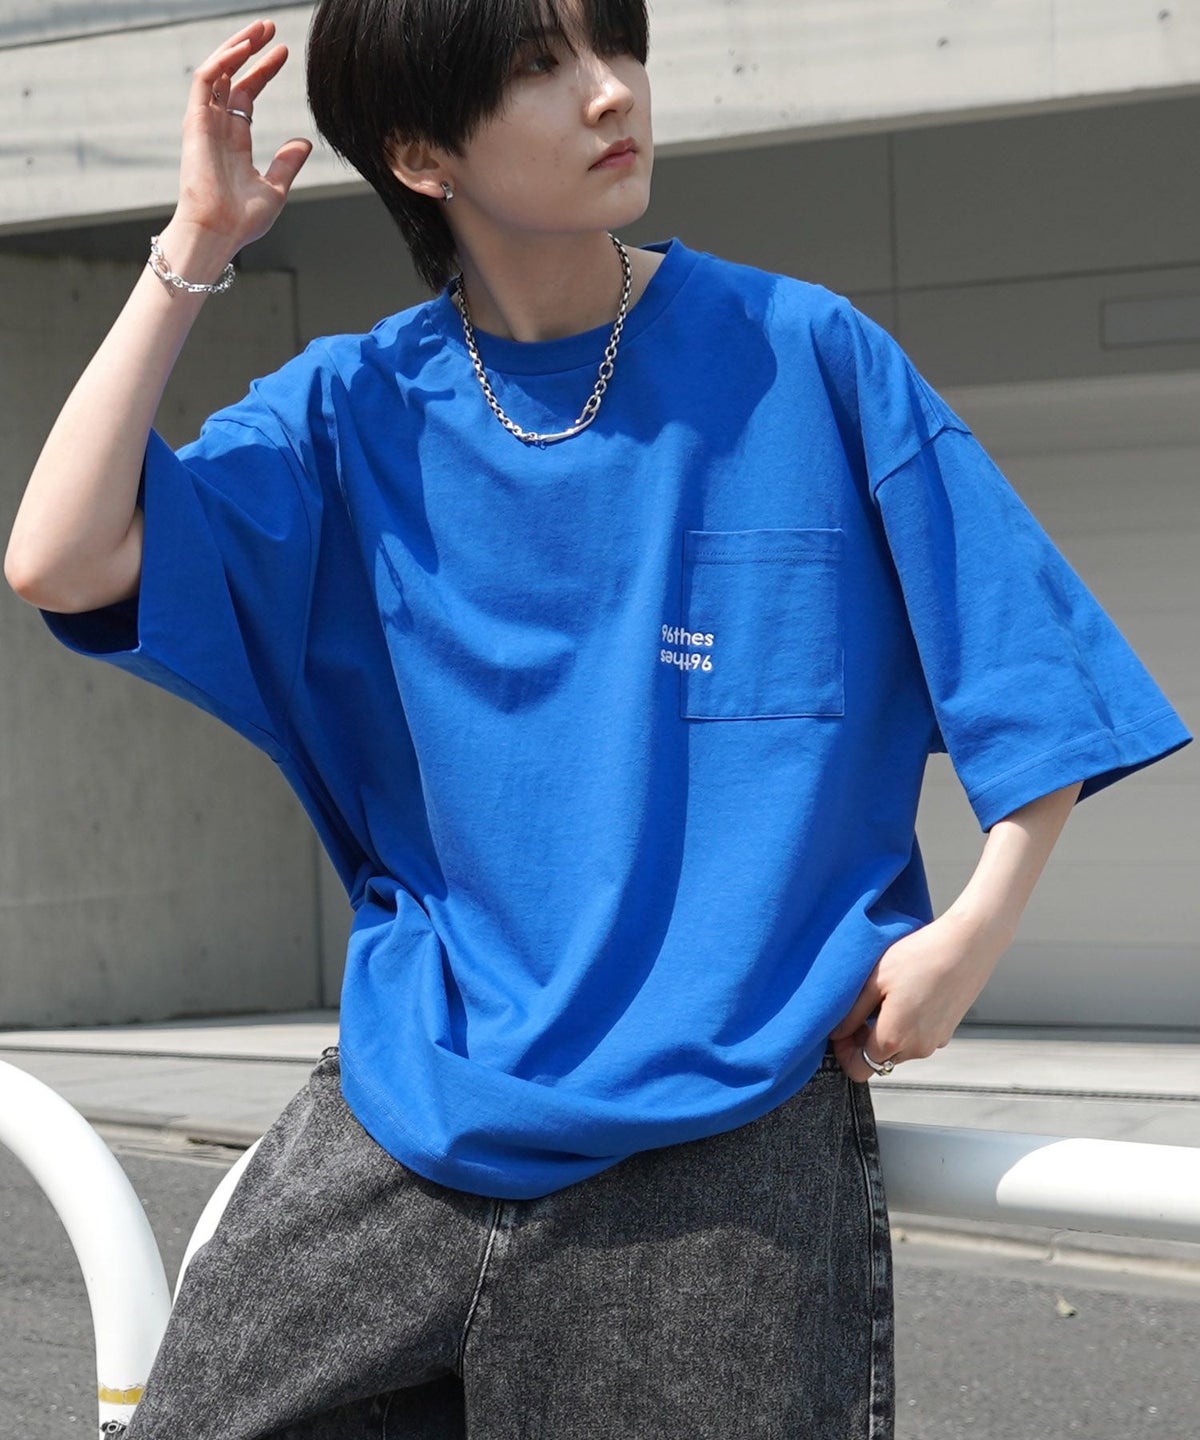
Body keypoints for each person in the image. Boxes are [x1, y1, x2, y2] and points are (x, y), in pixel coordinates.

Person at [5, 1, 1191, 1435]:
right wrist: (196, 244)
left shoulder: (803, 353)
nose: (610, 91)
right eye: (537, 65)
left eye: (613, 44)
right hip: (411, 1111)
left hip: (725, 1142)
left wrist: (974, 936)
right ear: (421, 156)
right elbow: (60, 558)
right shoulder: (350, 409)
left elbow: (1026, 666)